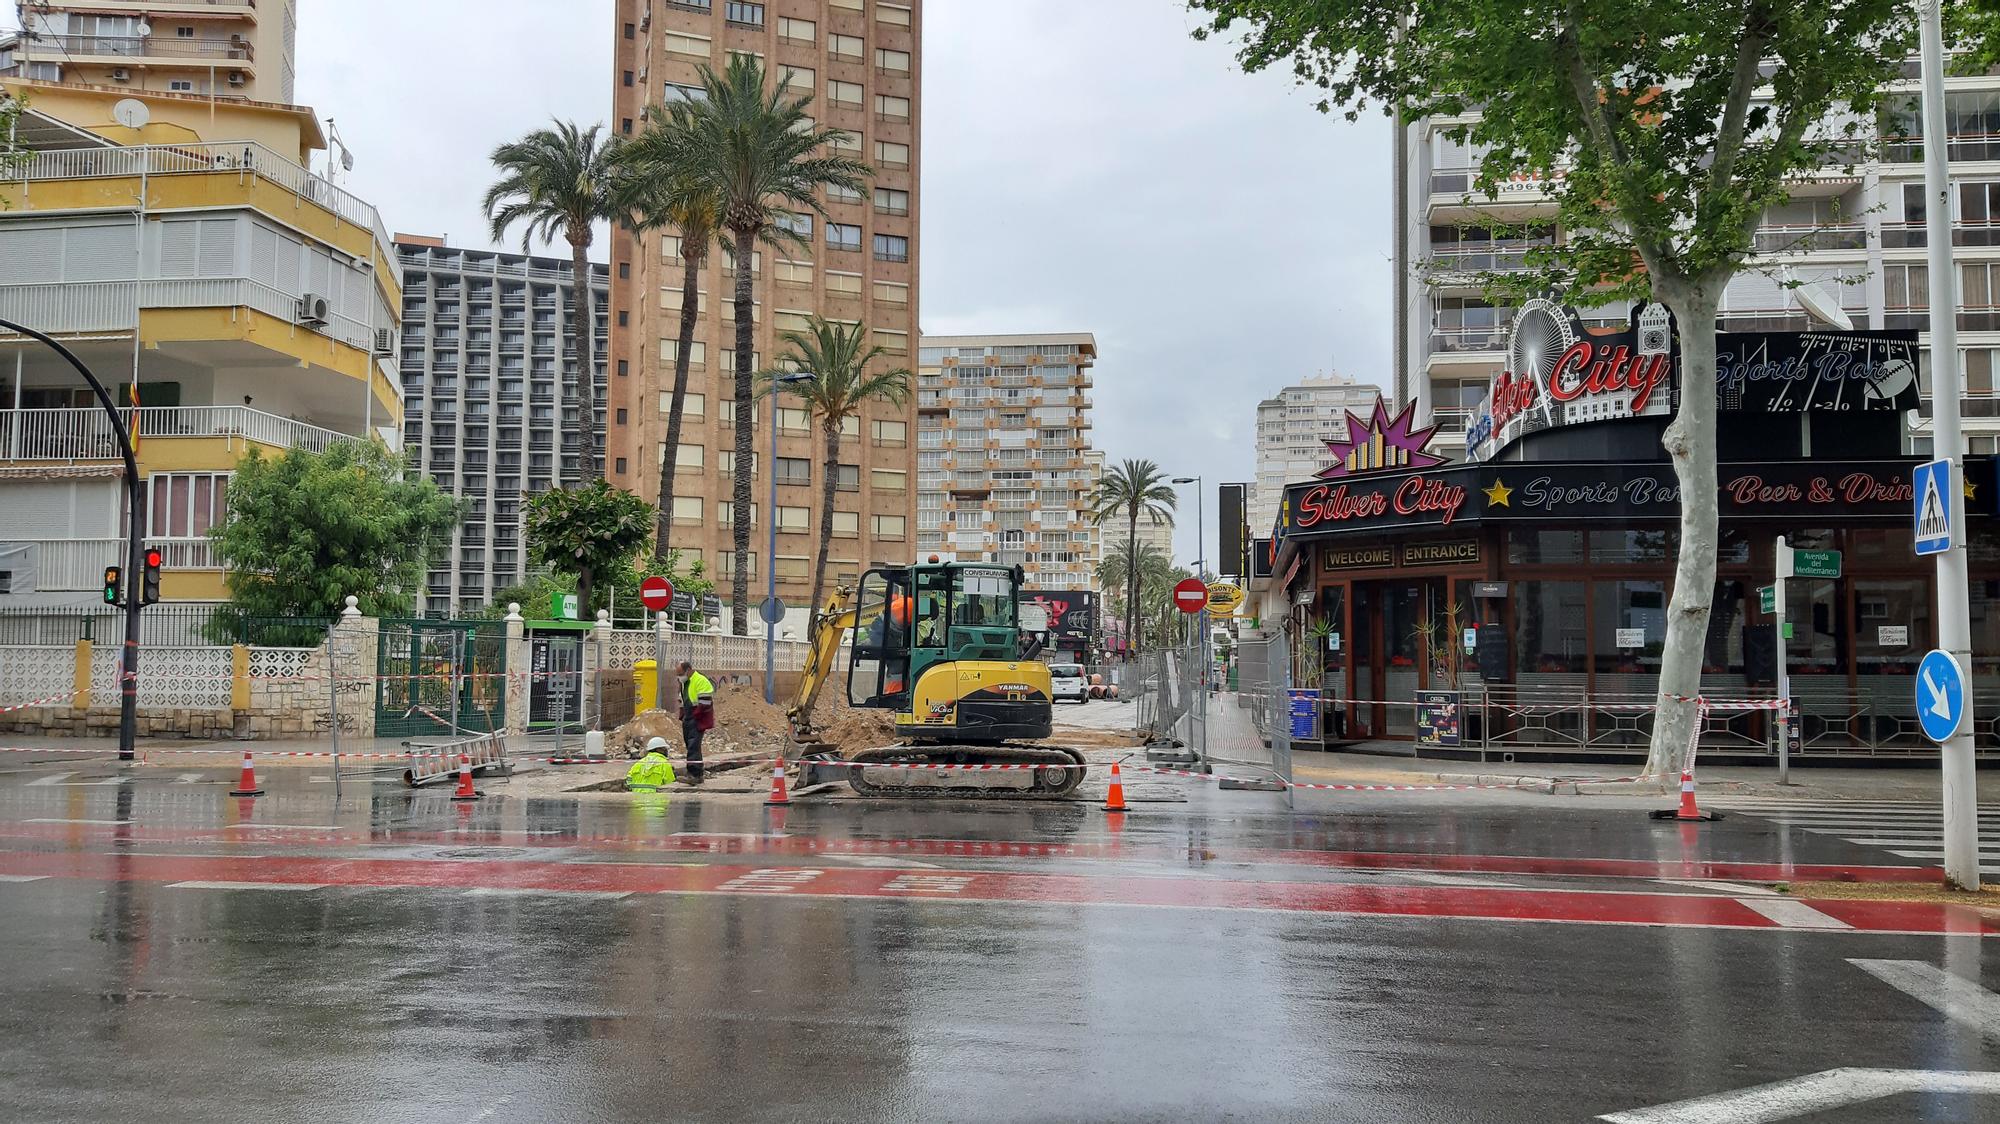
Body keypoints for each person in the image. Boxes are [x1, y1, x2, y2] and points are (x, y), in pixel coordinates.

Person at [677, 660, 714, 783]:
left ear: (688, 670)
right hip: (689, 716)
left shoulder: (700, 680)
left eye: (680, 673)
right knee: (691, 745)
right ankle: (696, 773)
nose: (679, 677)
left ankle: (694, 774)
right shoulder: (684, 682)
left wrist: (694, 715)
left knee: (693, 745)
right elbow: (682, 699)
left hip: (698, 717)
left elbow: (705, 702)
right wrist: (683, 715)